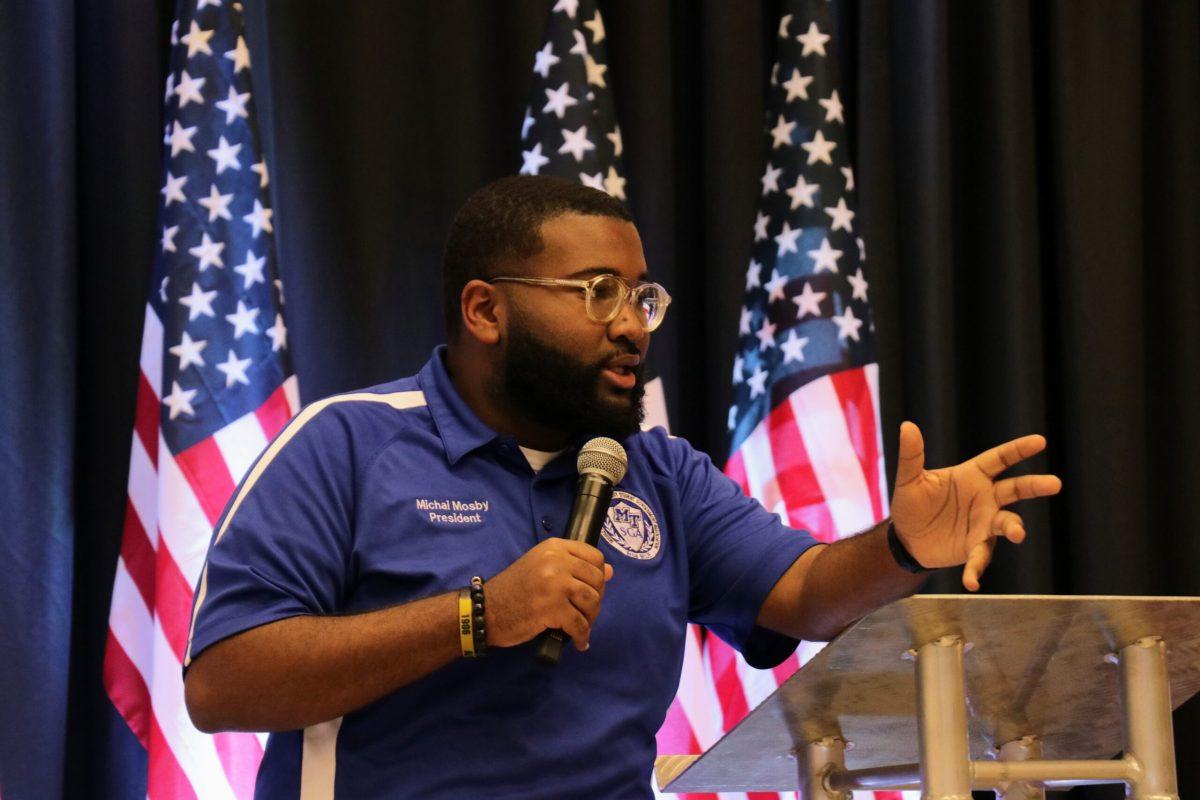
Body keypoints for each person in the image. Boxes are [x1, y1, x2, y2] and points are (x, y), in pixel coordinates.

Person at [183, 175, 1062, 798]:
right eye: (599, 292)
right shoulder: (346, 444)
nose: (632, 327)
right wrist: (478, 616)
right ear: (486, 310)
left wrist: (905, 547)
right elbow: (223, 684)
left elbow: (803, 593)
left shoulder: (656, 471)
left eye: (643, 297)